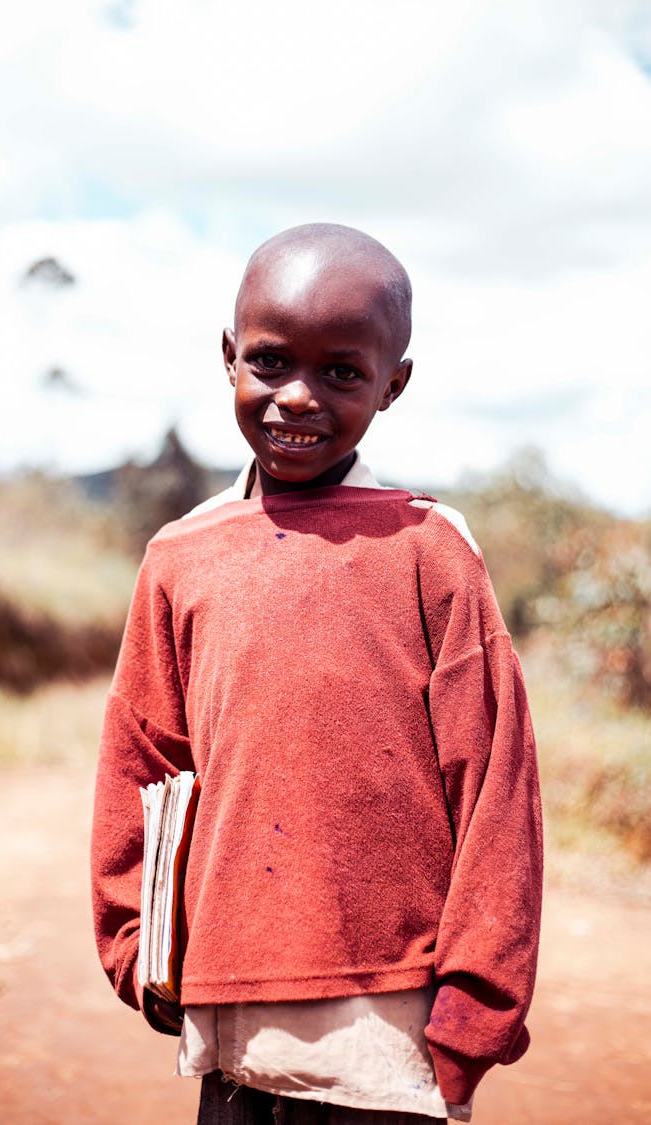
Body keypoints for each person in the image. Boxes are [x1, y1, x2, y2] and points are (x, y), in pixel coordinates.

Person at [91, 223, 543, 1124]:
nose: (297, 396)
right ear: (228, 357)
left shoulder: (428, 550)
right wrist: (139, 950)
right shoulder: (181, 557)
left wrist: (474, 1010)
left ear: (393, 383)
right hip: (228, 1020)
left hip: (392, 1030)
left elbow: (497, 785)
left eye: (342, 372)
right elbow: (140, 765)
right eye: (269, 361)